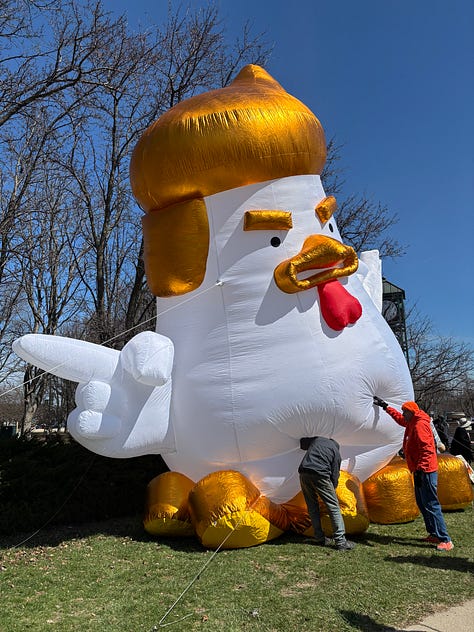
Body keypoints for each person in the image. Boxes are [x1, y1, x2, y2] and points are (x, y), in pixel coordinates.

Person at [373, 397, 454, 552]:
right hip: (419, 470)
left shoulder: (420, 425)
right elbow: (399, 420)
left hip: (426, 471)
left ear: (411, 412)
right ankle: (434, 534)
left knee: (431, 504)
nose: (402, 414)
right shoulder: (411, 421)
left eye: (404, 412)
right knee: (423, 503)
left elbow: (427, 450)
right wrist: (385, 406)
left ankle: (445, 539)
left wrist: (421, 470)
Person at [298, 436, 356, 551]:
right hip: (320, 474)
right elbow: (335, 475)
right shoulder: (336, 454)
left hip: (304, 472)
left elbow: (303, 442)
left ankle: (319, 538)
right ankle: (340, 542)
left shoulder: (318, 440)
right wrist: (331, 491)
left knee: (312, 506)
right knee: (334, 507)